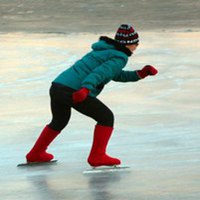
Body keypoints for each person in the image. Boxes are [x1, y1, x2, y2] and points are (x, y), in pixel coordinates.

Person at [26, 24, 158, 167]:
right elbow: (99, 73)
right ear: (128, 44)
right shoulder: (120, 57)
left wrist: (141, 73)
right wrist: (86, 89)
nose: (136, 46)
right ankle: (97, 156)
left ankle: (36, 154)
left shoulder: (104, 51)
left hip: (58, 86)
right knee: (106, 117)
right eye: (135, 43)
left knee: (59, 121)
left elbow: (114, 73)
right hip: (75, 90)